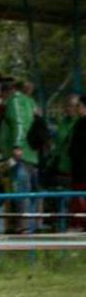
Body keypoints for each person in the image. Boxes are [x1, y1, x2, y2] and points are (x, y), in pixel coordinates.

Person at [0, 80, 41, 232]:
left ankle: (24, 228)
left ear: (6, 92)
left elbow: (19, 123)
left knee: (21, 190)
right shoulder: (31, 102)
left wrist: (17, 145)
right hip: (31, 154)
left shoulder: (15, 101)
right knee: (30, 190)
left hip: (20, 154)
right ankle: (34, 225)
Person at [68, 96, 86, 231]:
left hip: (82, 170)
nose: (77, 108)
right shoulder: (79, 123)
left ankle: (80, 223)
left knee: (80, 198)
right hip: (78, 170)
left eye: (79, 105)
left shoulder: (81, 124)